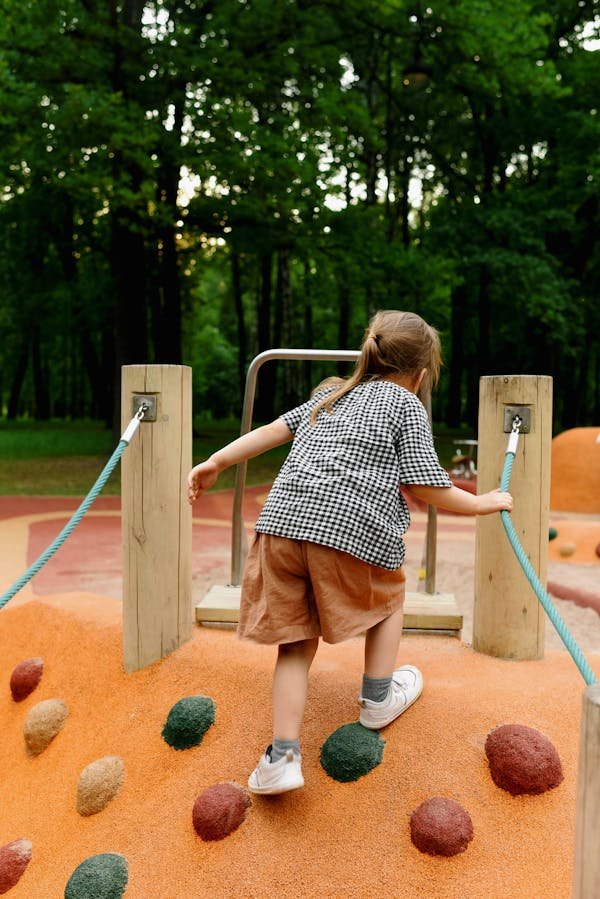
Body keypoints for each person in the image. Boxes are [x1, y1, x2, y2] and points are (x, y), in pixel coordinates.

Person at [187, 310, 512, 796]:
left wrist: (216, 460)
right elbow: (427, 483)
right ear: (422, 373)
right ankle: (377, 697)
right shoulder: (406, 404)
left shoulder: (330, 394)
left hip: (280, 526)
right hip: (348, 529)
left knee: (296, 643)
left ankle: (282, 757)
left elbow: (275, 429)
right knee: (387, 598)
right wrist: (483, 502)